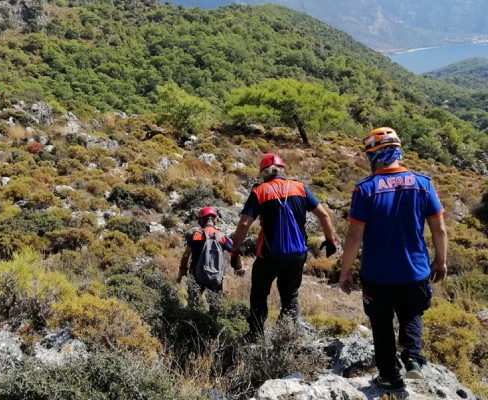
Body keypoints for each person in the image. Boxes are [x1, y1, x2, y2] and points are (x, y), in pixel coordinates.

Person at [339, 127, 447, 391]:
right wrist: (441, 261)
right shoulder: (423, 183)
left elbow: (354, 237)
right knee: (412, 314)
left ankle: (390, 376)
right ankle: (413, 359)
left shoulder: (365, 189)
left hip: (377, 274)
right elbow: (439, 229)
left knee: (381, 324)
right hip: (415, 270)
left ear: (373, 156)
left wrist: (345, 271)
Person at [231, 153, 338, 342]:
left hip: (269, 255)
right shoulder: (300, 188)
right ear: (283, 169)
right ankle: (290, 335)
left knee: (259, 293)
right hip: (297, 254)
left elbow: (244, 224)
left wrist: (235, 248)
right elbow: (324, 216)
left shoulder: (260, 192)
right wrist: (331, 241)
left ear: (264, 172)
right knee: (290, 294)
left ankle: (255, 334)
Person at [177, 206, 244, 299]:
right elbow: (236, 250)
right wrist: (238, 267)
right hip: (216, 277)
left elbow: (185, 255)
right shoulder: (222, 237)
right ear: (214, 220)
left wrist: (182, 271)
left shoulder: (196, 235)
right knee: (215, 306)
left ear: (201, 221)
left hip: (196, 276)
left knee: (193, 303)